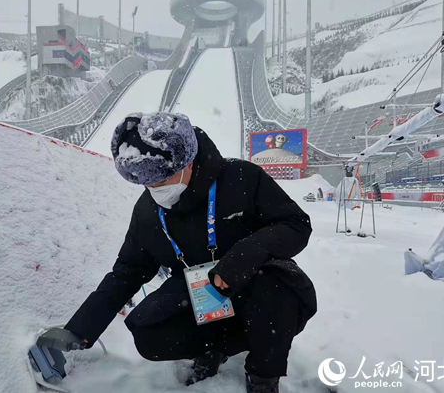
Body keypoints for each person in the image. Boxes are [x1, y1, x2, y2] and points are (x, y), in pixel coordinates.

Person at [63, 112, 317, 393]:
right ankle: (215, 348)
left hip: (258, 280)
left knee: (273, 293)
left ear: (187, 161)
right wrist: (77, 331)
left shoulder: (241, 178)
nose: (155, 189)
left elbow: (295, 224)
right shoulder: (148, 210)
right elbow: (126, 272)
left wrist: (242, 257)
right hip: (201, 293)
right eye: (147, 183)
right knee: (147, 330)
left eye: (161, 179)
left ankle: (263, 377)